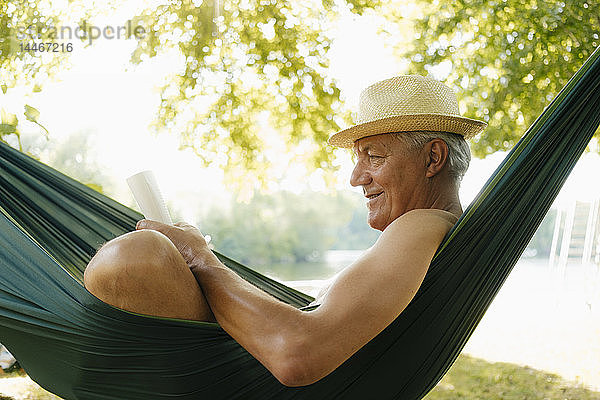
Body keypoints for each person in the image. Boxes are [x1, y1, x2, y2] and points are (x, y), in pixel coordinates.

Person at [83, 74, 486, 387]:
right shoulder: (435, 237)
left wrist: (199, 258)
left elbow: (298, 356)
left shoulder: (419, 226)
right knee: (135, 258)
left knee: (132, 260)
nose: (356, 177)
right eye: (357, 158)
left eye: (374, 156)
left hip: (250, 383)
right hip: (251, 373)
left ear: (434, 157)